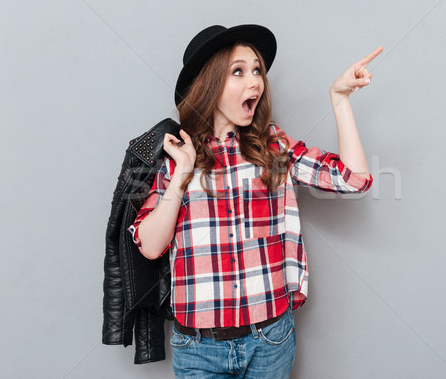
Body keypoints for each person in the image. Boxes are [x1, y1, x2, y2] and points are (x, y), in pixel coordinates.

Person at [127, 24, 382, 378]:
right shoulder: (176, 156)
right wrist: (183, 174)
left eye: (257, 70)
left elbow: (353, 180)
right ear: (209, 84)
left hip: (270, 341)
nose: (256, 82)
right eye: (238, 71)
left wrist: (340, 99)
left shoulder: (273, 146)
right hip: (198, 349)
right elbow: (151, 246)